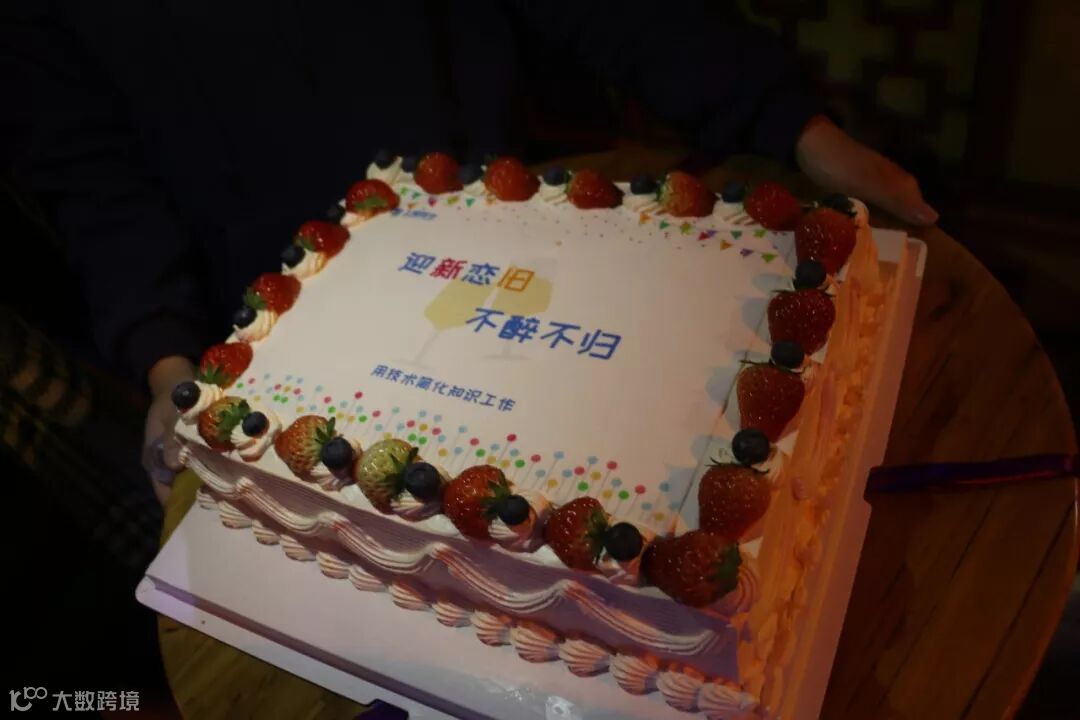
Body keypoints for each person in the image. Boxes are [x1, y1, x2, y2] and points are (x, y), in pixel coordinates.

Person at [2, 0, 938, 505]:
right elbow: (94, 177)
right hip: (281, 327)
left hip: (501, 237)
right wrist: (164, 356)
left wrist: (797, 127)